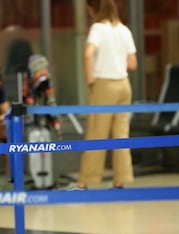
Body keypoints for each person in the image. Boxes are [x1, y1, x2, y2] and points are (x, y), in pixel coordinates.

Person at [73, 0, 137, 190]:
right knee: (121, 135)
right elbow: (132, 64)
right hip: (124, 85)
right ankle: (120, 180)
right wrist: (117, 62)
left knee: (96, 133)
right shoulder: (124, 30)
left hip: (104, 84)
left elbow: (87, 54)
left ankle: (84, 181)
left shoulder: (98, 29)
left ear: (93, 10)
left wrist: (90, 80)